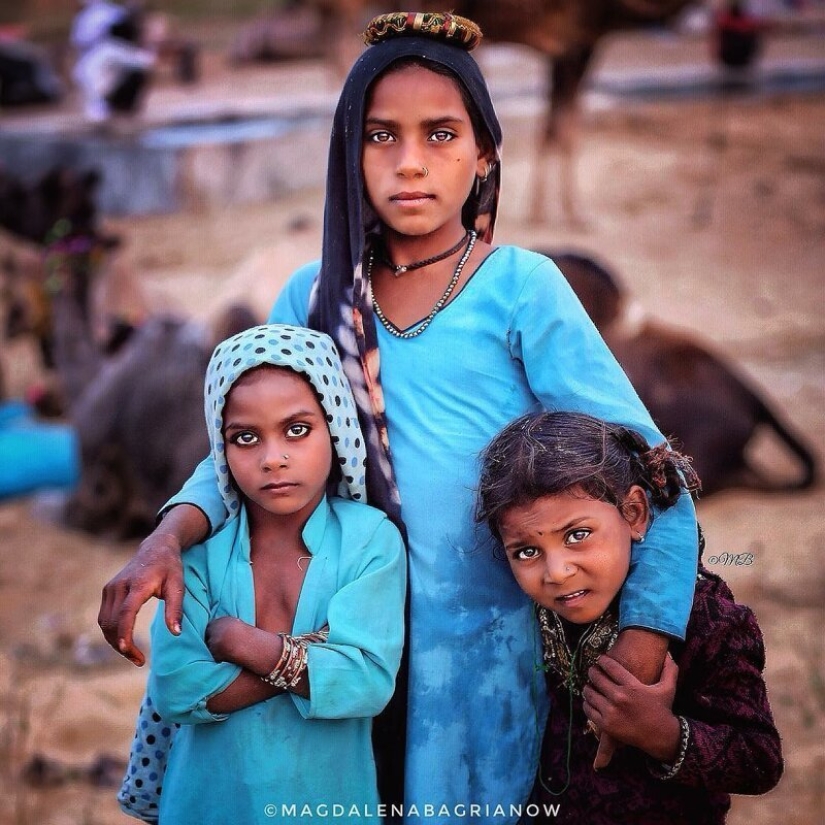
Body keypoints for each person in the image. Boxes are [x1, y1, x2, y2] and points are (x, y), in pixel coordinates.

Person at [99, 12, 700, 820]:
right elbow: (244, 451)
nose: (410, 162)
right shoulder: (313, 300)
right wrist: (167, 535)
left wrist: (639, 651)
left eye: (441, 134)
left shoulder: (520, 289)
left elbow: (652, 472)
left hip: (486, 672)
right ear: (348, 153)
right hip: (331, 660)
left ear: (485, 153)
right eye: (380, 136)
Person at [120, 323, 406, 823]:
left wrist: (240, 643)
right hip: (207, 806)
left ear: (336, 427)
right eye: (245, 437)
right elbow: (177, 690)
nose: (273, 459)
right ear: (221, 448)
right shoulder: (199, 551)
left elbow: (368, 683)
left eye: (297, 430)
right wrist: (310, 658)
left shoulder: (370, 540)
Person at [476, 410, 783, 823]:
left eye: (577, 535)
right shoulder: (532, 616)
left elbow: (759, 760)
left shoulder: (708, 621)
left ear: (635, 513)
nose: (557, 572)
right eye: (527, 551)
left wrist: (661, 734)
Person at [70, 0, 155, 124]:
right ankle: (121, 108)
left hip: (90, 88)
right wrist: (151, 47)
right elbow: (146, 63)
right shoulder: (113, 48)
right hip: (98, 93)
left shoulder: (104, 46)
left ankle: (112, 106)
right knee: (137, 73)